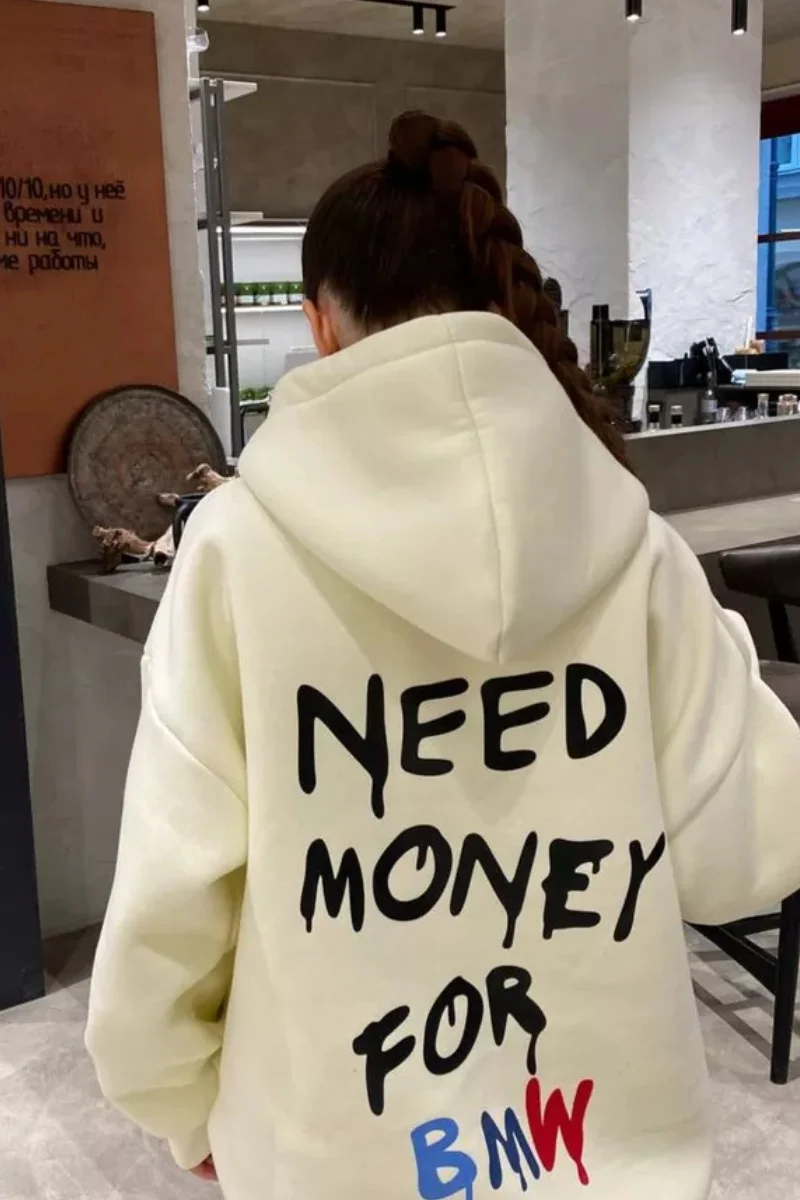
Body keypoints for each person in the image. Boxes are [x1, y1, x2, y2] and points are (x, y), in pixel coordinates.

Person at [86, 112, 800, 1200]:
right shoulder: (632, 542)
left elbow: (171, 895)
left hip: (332, 1155)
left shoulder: (234, 552)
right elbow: (744, 850)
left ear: (321, 325)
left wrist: (177, 1099)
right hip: (610, 1154)